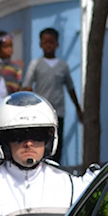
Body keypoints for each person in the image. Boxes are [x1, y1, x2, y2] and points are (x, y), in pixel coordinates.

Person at [25, 28, 83, 157]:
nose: (48, 45)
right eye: (45, 42)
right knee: (41, 141)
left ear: (57, 44)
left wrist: (78, 109)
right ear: (40, 44)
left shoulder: (63, 66)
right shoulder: (36, 64)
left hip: (58, 111)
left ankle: (55, 167)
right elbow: (27, 86)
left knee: (57, 142)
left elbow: (70, 88)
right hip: (40, 111)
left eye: (51, 42)